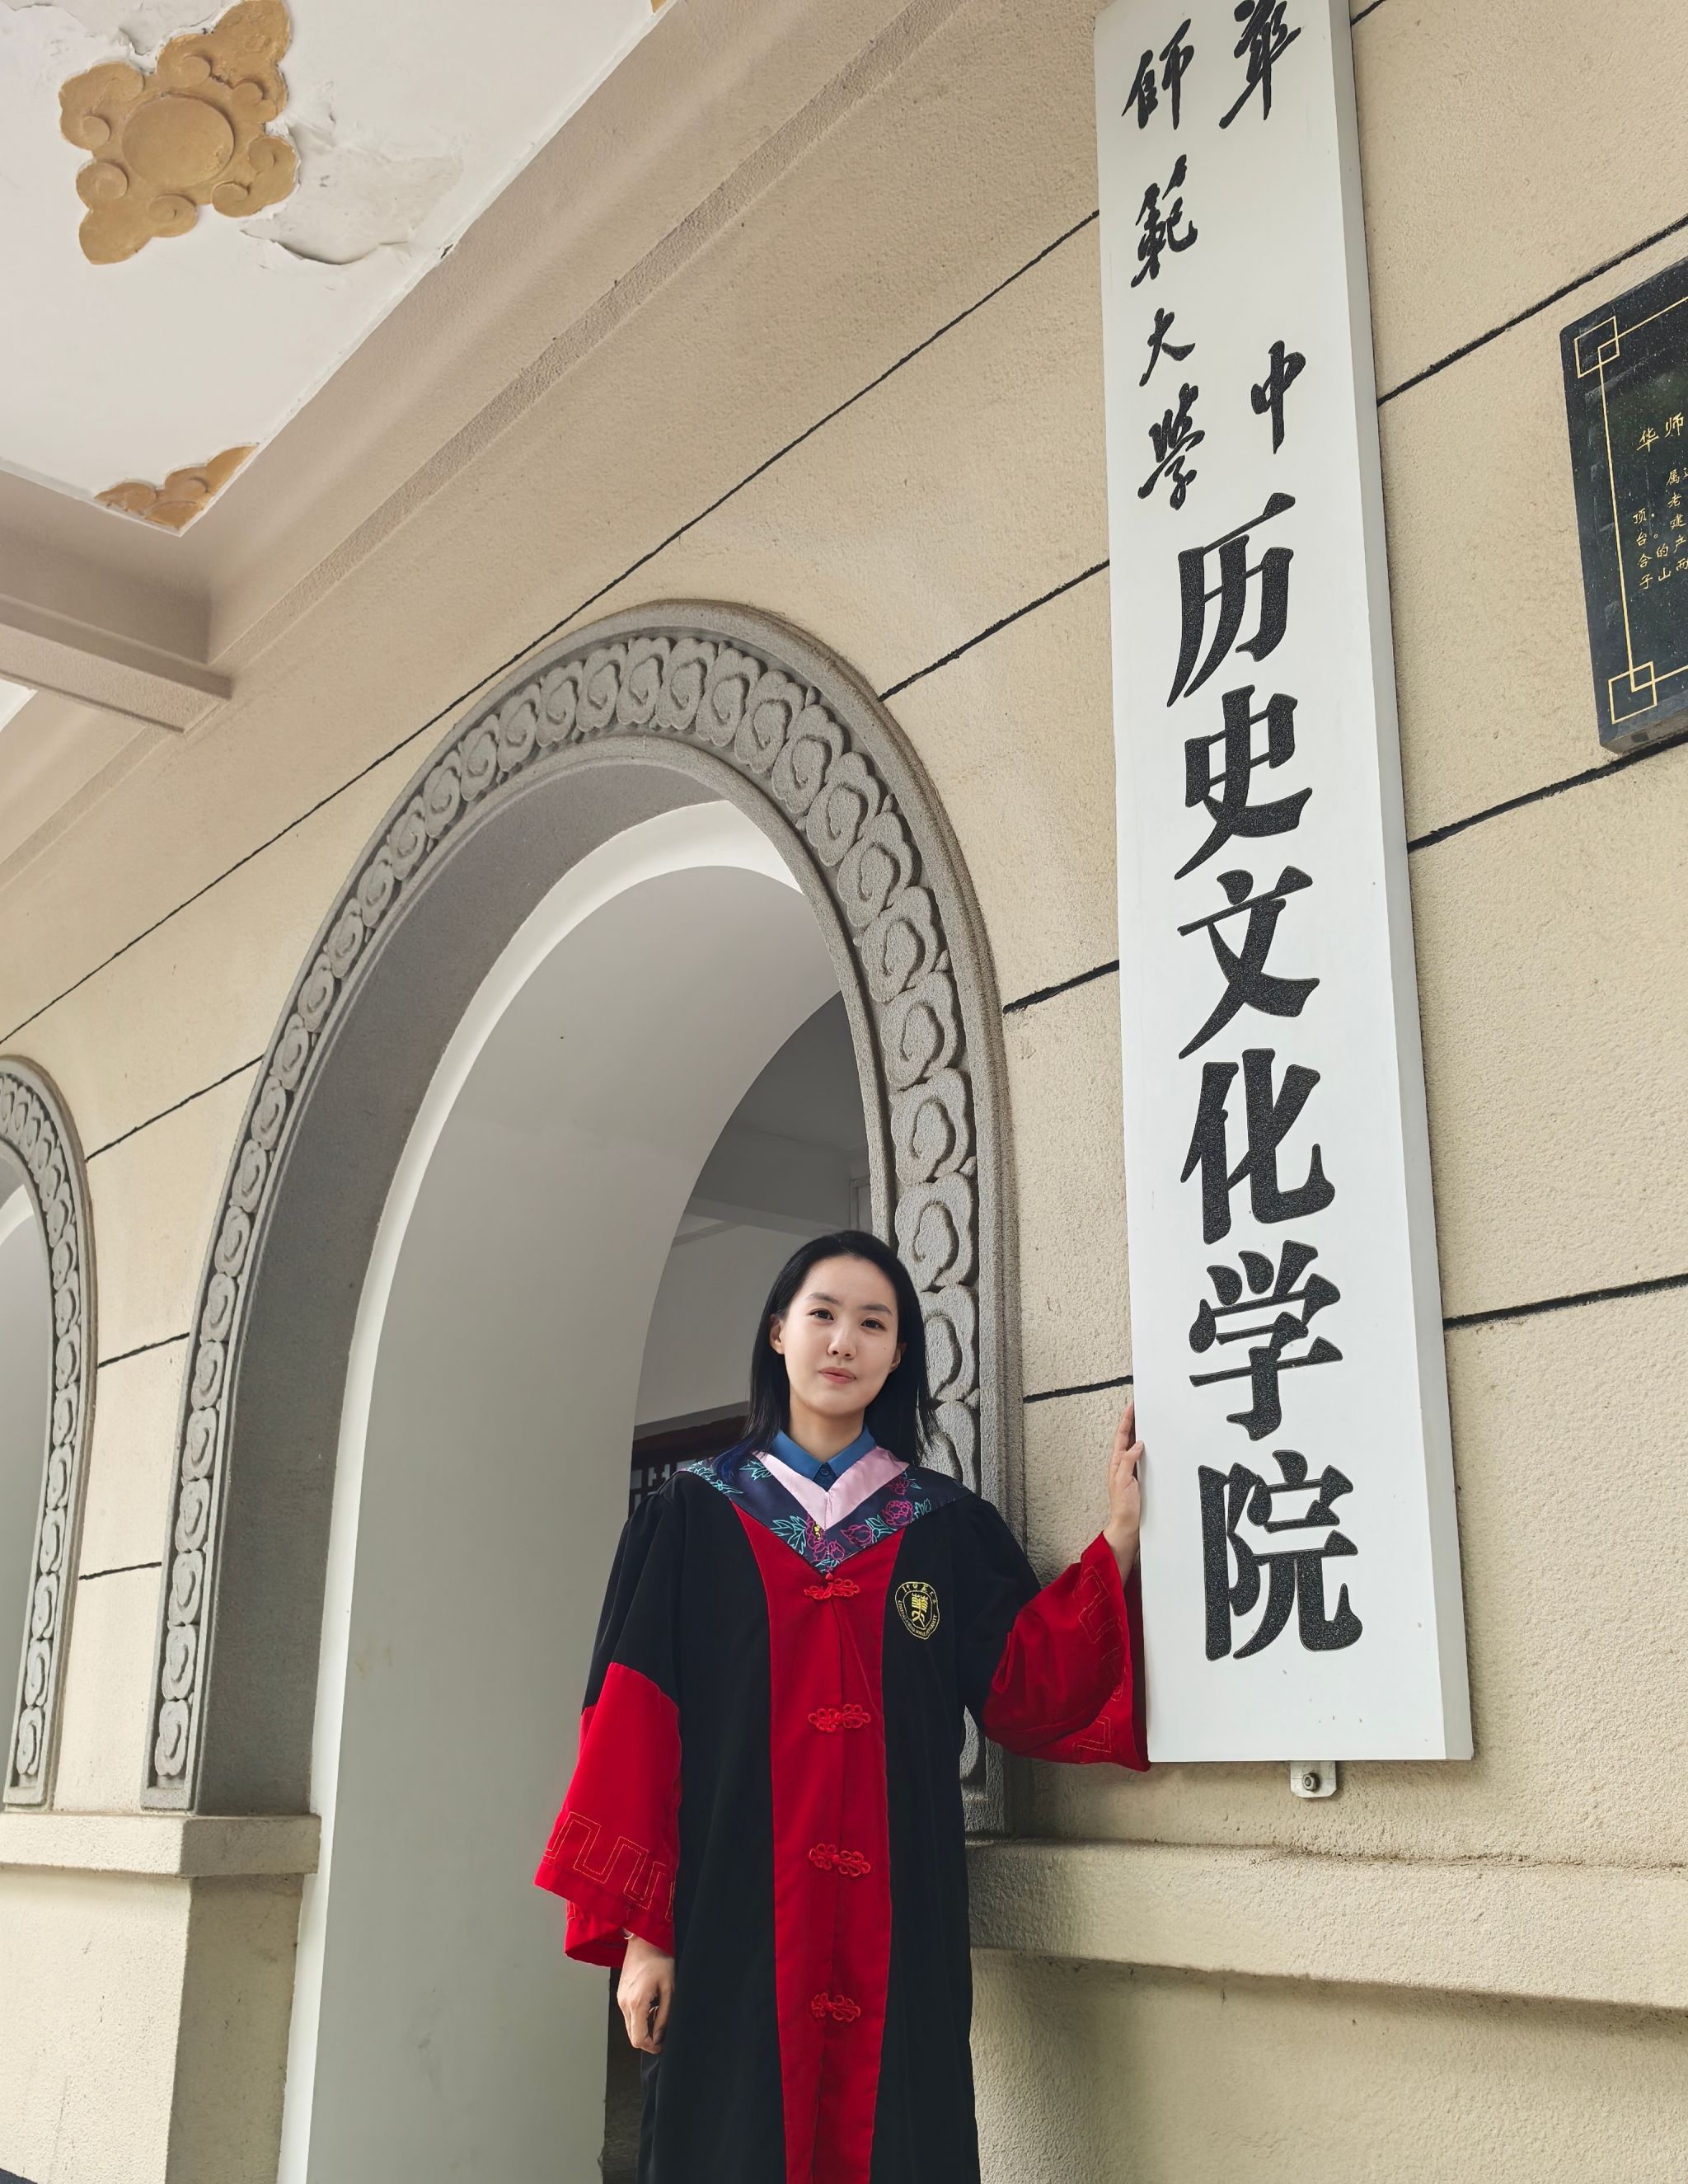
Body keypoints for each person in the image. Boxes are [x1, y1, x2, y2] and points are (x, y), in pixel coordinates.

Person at [534, 1228, 1146, 2184]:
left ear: (897, 1355)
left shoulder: (942, 1526)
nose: (842, 1341)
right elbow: (632, 1731)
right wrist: (646, 1939)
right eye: (821, 1314)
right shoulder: (690, 1518)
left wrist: (1117, 1542)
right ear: (777, 1332)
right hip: (728, 1913)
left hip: (897, 1924)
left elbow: (1025, 1684)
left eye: (872, 1323)